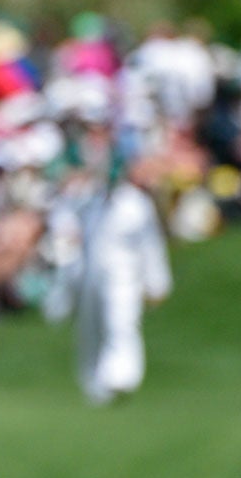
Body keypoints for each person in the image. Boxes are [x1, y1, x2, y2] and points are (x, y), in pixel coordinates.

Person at [54, 154, 173, 405]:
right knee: (91, 328)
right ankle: (94, 382)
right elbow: (67, 222)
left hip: (124, 276)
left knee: (121, 324)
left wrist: (156, 282)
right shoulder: (90, 201)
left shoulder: (135, 204)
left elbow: (150, 246)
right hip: (92, 275)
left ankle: (121, 378)